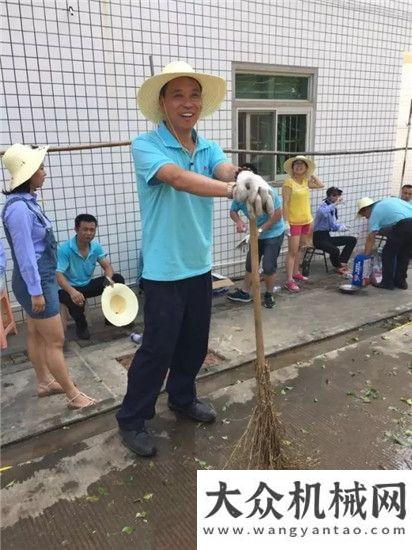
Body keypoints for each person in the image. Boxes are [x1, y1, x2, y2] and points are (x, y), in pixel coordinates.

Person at [116, 61, 273, 457]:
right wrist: (230, 190)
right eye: (178, 95)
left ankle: (182, 399)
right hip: (164, 270)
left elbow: (224, 167)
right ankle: (133, 417)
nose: (188, 103)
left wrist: (245, 176)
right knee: (157, 349)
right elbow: (177, 179)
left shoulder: (207, 147)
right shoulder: (147, 145)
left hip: (199, 267)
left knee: (193, 344)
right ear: (164, 104)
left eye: (194, 95)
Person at [1, 144, 95, 409]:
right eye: (40, 167)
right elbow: (25, 254)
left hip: (38, 279)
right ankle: (73, 396)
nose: (45, 172)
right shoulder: (18, 209)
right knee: (55, 341)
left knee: (35, 332)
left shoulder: (27, 203)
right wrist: (36, 291)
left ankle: (44, 382)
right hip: (37, 281)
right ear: (28, 173)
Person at [56, 213, 125, 340]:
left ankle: (111, 317)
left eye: (92, 230)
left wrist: (108, 280)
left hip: (87, 285)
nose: (89, 233)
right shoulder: (65, 249)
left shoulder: (95, 246)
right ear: (76, 229)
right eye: (85, 229)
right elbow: (58, 275)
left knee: (118, 279)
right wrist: (72, 291)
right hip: (68, 288)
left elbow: (107, 267)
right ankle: (81, 326)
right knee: (73, 299)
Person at [227, 165, 285, 309]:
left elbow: (277, 215)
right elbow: (233, 211)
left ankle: (269, 294)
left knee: (268, 266)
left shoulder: (267, 191)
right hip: (255, 234)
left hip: (274, 232)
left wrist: (260, 230)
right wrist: (239, 221)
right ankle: (245, 293)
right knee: (251, 264)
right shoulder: (240, 193)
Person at [282, 155, 324, 292]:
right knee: (292, 251)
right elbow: (285, 203)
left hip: (307, 220)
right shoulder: (289, 183)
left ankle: (296, 273)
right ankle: (289, 280)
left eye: (302, 164)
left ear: (306, 168)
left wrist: (311, 174)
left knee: (301, 247)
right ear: (292, 168)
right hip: (294, 222)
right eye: (296, 164)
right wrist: (286, 222)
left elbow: (320, 185)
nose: (299, 166)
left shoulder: (306, 181)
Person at [357, 196, 412, 289]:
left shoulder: (374, 212)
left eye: (364, 215)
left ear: (366, 209)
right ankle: (400, 282)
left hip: (403, 225)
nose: (366, 218)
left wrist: (365, 258)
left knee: (388, 253)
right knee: (403, 254)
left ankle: (387, 283)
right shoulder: (387, 202)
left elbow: (370, 238)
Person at [313, 186, 357, 274]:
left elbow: (332, 226)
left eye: (338, 195)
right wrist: (335, 204)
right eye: (334, 195)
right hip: (318, 238)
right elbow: (322, 213)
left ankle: (342, 263)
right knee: (335, 250)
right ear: (328, 196)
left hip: (327, 236)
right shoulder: (323, 205)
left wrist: (341, 227)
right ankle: (338, 267)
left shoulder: (333, 209)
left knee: (352, 240)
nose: (336, 198)